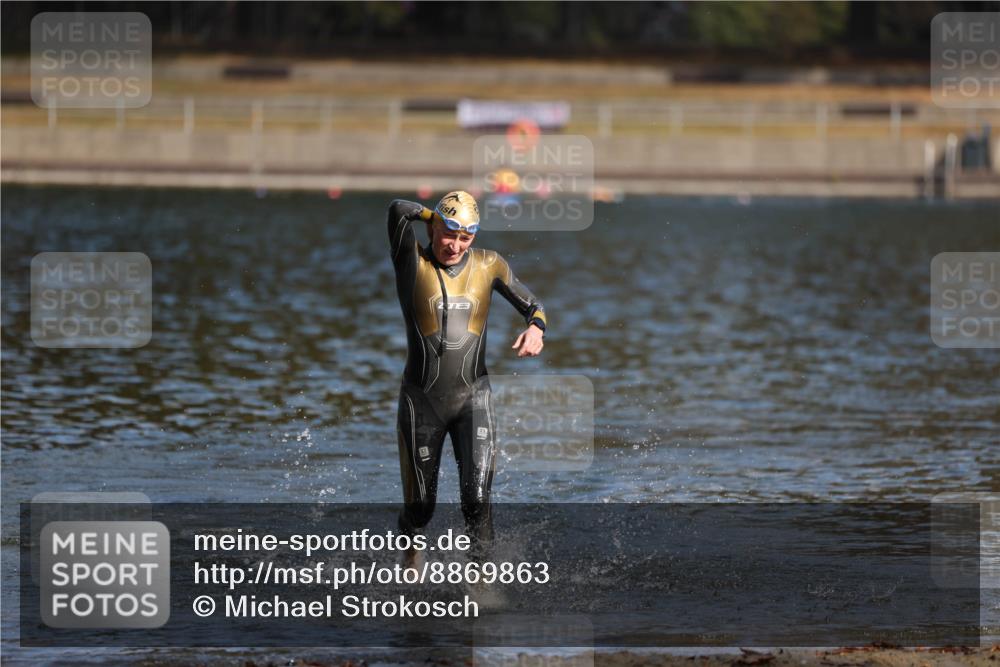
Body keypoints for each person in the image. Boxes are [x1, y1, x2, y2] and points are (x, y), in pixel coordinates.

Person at [386, 191, 546, 564]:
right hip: (422, 401)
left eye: (466, 237)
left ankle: (481, 583)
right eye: (448, 233)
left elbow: (535, 306)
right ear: (433, 227)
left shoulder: (489, 264)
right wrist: (433, 214)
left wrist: (536, 329)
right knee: (421, 508)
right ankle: (411, 546)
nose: (455, 245)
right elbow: (396, 210)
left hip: (474, 398)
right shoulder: (411, 260)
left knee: (476, 499)